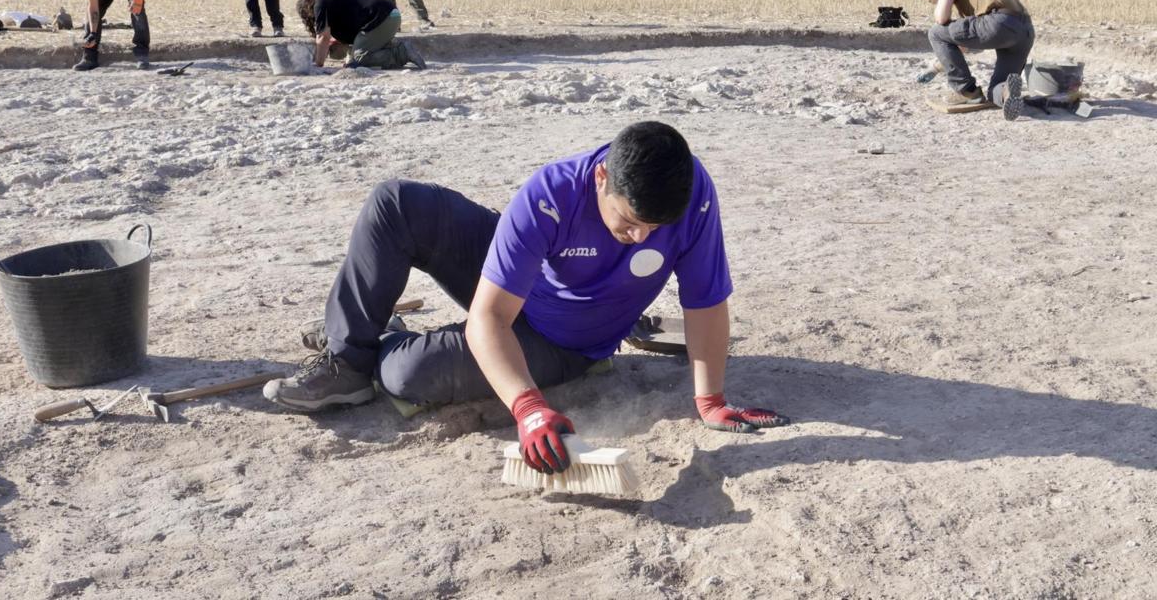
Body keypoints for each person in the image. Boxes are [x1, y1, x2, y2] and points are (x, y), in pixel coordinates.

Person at [264, 121, 788, 475]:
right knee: (396, 203)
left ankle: (386, 338)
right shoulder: (552, 193)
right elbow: (490, 316)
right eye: (630, 223)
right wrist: (529, 407)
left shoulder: (694, 196)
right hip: (519, 290)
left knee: (405, 374)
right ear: (602, 176)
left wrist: (711, 400)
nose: (644, 239)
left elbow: (705, 301)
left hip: (561, 341)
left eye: (656, 228)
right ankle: (348, 362)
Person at [914, 0, 1031, 121]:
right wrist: (934, 69)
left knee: (935, 32)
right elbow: (962, 46)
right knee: (993, 92)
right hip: (1024, 32)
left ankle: (966, 91)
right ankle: (1006, 91)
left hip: (999, 22)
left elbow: (941, 18)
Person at [295, 0, 425, 70]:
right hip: (391, 15)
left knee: (360, 60)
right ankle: (391, 44)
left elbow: (323, 37)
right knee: (346, 56)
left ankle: (402, 53)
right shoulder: (330, 2)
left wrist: (318, 65)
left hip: (384, 18)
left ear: (307, 11)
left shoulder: (320, 4)